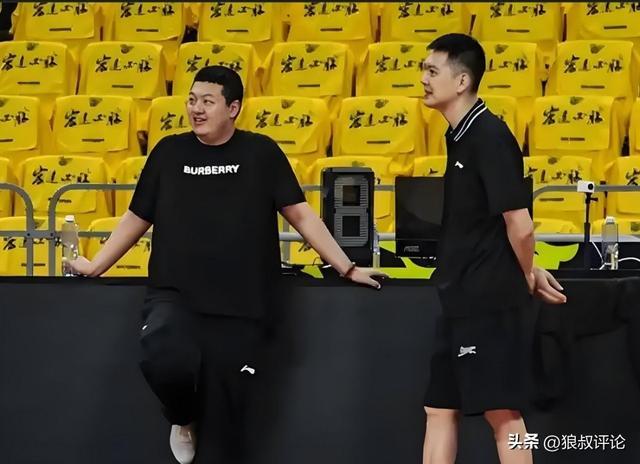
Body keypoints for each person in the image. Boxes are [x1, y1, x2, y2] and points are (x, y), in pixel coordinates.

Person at [65, 65, 385, 464]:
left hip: (242, 302)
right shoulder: (169, 152)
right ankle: (181, 416)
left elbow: (301, 215)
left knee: (228, 418)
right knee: (162, 357)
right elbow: (137, 216)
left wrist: (347, 268)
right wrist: (97, 264)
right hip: (176, 295)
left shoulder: (261, 153)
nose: (196, 109)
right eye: (191, 100)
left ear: (233, 108)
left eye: (207, 101)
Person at [419, 34, 567, 464]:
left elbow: (520, 225)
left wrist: (525, 274)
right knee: (438, 408)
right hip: (458, 296)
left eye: (432, 71)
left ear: (462, 81)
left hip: (488, 300)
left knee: (503, 415)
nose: (424, 79)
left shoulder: (489, 135)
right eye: (423, 70)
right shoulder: (458, 134)